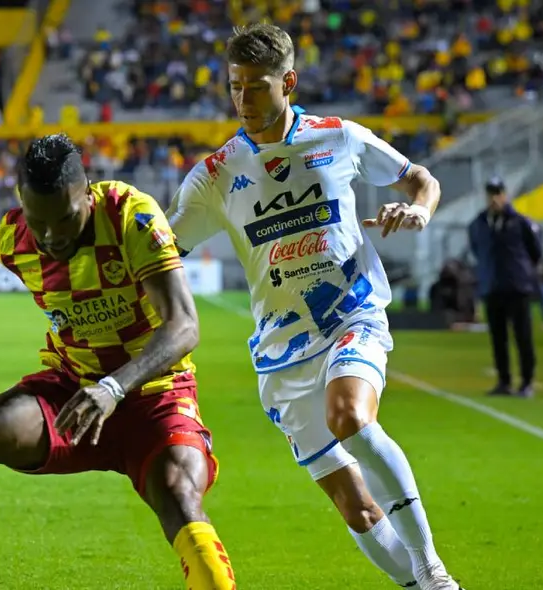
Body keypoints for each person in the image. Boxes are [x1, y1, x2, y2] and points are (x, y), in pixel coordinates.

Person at [167, 23, 461, 590]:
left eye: (256, 86)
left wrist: (419, 210)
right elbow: (165, 252)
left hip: (353, 313)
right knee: (358, 509)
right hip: (282, 351)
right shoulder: (215, 176)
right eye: (235, 86)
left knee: (350, 415)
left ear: (289, 82)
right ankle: (418, 586)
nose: (243, 100)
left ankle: (432, 569)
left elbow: (420, 180)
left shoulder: (339, 137)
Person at [0, 135, 236, 590]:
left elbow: (184, 326)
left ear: (88, 191)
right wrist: (94, 387)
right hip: (73, 391)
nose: (51, 236)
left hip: (155, 392)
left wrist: (113, 388)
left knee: (180, 496)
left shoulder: (131, 214)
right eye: (37, 220)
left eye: (65, 219)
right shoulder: (13, 243)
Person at [468, 177, 541, 398]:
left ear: (505, 194)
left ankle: (527, 381)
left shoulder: (520, 222)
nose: (494, 198)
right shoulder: (479, 223)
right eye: (491, 193)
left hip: (517, 287)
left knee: (523, 337)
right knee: (498, 338)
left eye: (498, 193)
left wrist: (521, 273)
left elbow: (535, 252)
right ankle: (504, 381)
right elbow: (477, 252)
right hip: (492, 287)